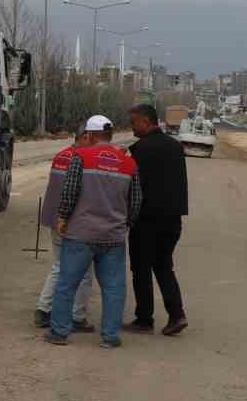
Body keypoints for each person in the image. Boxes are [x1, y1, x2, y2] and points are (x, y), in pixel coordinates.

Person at [47, 114, 142, 348]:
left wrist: (62, 217)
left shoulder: (80, 157)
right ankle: (110, 337)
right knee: (114, 288)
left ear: (89, 135)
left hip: (80, 234)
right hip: (113, 237)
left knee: (67, 284)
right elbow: (137, 201)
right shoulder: (128, 163)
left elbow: (69, 191)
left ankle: (59, 333)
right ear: (109, 135)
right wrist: (124, 223)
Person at [127, 103, 189, 335]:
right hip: (173, 220)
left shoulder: (141, 150)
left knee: (141, 268)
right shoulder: (175, 147)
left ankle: (144, 319)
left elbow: (134, 187)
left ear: (145, 121)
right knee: (164, 267)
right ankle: (177, 315)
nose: (132, 128)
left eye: (134, 123)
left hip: (147, 220)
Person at [34, 130, 95, 332]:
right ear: (85, 137)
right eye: (93, 139)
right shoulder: (82, 160)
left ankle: (44, 309)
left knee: (59, 265)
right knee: (84, 271)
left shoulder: (61, 155)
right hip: (70, 221)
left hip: (53, 218)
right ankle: (77, 316)